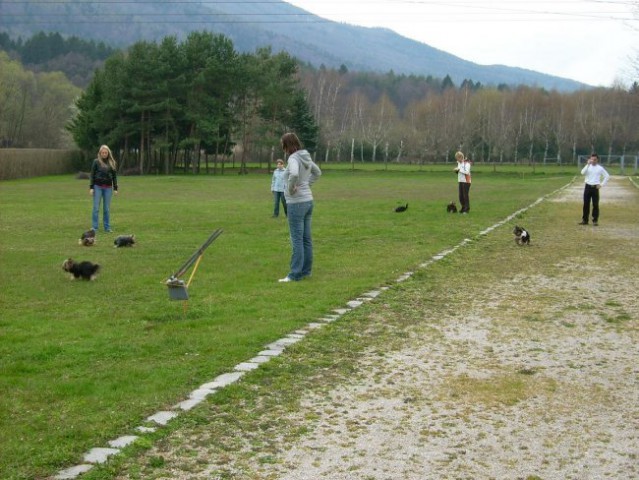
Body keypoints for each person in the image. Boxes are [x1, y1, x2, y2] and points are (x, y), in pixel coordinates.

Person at [279, 132, 322, 283]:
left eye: (282, 145)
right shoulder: (306, 156)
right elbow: (317, 172)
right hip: (308, 201)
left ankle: (294, 274)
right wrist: (306, 185)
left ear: (286, 145)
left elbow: (295, 174)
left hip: (296, 203)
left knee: (297, 239)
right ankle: (306, 271)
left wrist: (291, 189)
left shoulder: (293, 159)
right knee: (306, 239)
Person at [89, 145, 118, 232]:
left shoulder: (111, 163)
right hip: (97, 187)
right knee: (96, 208)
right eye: (103, 152)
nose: (104, 154)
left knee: (106, 209)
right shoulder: (96, 162)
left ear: (108, 153)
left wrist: (115, 188)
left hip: (108, 188)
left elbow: (114, 177)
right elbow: (92, 175)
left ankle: (107, 227)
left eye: (106, 152)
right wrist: (91, 187)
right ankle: (94, 227)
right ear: (100, 153)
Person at [579, 153, 610, 226]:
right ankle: (585, 220)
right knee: (586, 204)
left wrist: (601, 185)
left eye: (595, 159)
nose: (593, 161)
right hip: (587, 187)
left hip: (595, 188)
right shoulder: (587, 167)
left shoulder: (600, 168)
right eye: (592, 159)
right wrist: (587, 165)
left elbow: (607, 176)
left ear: (597, 160)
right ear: (590, 159)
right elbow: (582, 173)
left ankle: (595, 220)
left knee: (595, 204)